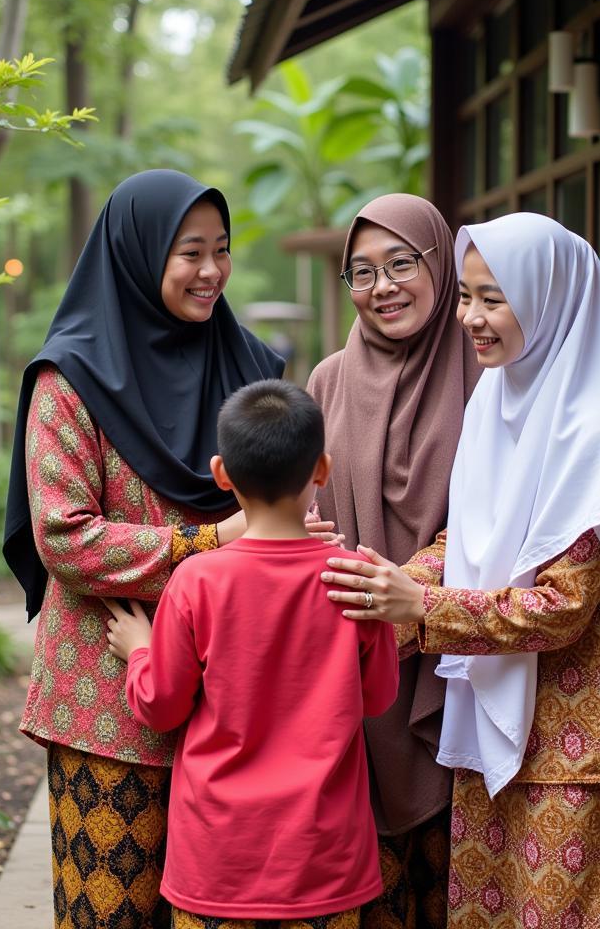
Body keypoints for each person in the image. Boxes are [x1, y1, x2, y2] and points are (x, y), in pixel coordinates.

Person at [322, 213, 600, 929]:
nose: (469, 316)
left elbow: (561, 604)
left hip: (584, 743)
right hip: (504, 718)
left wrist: (421, 607)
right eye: (466, 296)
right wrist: (394, 581)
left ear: (547, 295)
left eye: (491, 298)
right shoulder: (500, 397)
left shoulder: (598, 426)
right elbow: (470, 537)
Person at [2, 170, 301, 929]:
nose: (212, 271)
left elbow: (285, 509)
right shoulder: (69, 381)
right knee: (112, 915)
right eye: (189, 252)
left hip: (232, 704)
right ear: (138, 255)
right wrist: (209, 540)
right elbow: (66, 537)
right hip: (108, 708)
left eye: (223, 250)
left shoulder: (250, 368)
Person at [103, 379, 400, 927]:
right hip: (324, 860)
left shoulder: (196, 582)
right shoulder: (350, 581)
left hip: (218, 859)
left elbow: (162, 706)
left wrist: (141, 652)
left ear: (221, 474)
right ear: (322, 470)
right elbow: (377, 697)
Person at [307, 194, 481, 929]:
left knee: (460, 884)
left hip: (465, 663)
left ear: (439, 262)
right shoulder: (327, 381)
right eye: (362, 272)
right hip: (361, 667)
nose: (383, 287)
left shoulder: (489, 371)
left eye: (401, 263)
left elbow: (507, 525)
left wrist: (415, 590)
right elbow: (309, 521)